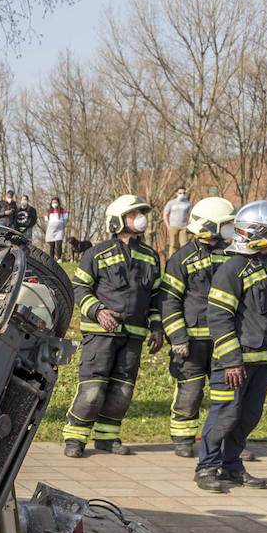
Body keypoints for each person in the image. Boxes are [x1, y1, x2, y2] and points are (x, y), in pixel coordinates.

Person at [194, 200, 267, 493]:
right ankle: (207, 468)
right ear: (257, 230)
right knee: (225, 415)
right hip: (234, 364)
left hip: (263, 361)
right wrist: (232, 360)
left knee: (248, 417)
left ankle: (232, 467)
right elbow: (219, 317)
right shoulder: (232, 269)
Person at [62, 194, 164, 458]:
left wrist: (156, 326)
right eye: (134, 214)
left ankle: (107, 438)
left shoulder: (151, 257)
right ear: (119, 220)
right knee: (93, 392)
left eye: (142, 213)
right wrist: (97, 311)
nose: (140, 218)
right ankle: (75, 437)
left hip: (134, 335)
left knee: (122, 392)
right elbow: (79, 287)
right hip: (101, 333)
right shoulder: (96, 253)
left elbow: (155, 297)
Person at [159, 197, 236, 458]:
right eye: (225, 223)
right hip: (191, 343)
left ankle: (223, 442)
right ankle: (182, 439)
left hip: (224, 341)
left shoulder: (233, 255)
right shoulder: (181, 258)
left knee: (224, 396)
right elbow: (169, 300)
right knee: (190, 392)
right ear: (210, 224)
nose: (229, 228)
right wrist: (178, 337)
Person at [162, 186, 193, 254]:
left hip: (184, 227)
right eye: (180, 193)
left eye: (184, 193)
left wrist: (189, 225)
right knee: (173, 245)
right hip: (173, 227)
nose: (182, 195)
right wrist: (168, 226)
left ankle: (184, 261)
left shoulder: (188, 203)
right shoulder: (171, 203)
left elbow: (191, 215)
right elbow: (165, 214)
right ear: (176, 193)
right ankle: (171, 261)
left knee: (184, 245)